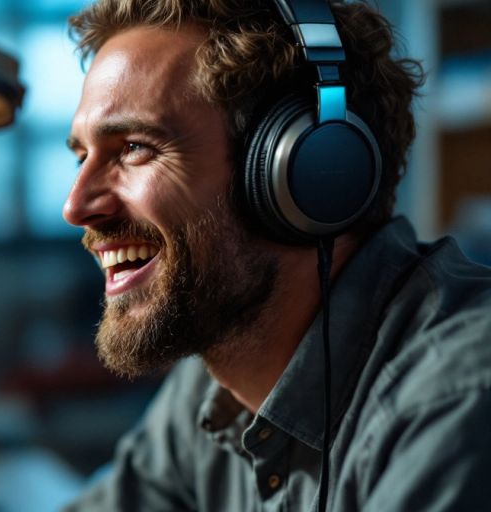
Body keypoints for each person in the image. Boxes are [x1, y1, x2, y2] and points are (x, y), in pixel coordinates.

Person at [60, 0, 491, 510]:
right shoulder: (215, 376)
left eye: (134, 147)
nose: (76, 206)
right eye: (83, 156)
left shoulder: (457, 397)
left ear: (306, 172)